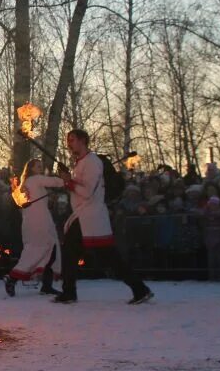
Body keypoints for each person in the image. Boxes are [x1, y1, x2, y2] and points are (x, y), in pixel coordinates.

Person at [55, 129, 152, 305]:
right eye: (68, 140)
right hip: (83, 215)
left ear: (83, 140)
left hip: (91, 216)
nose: (69, 144)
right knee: (73, 251)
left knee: (108, 257)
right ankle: (69, 292)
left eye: (72, 140)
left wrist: (69, 181)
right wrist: (67, 179)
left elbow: (87, 191)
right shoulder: (81, 162)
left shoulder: (92, 162)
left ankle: (140, 289)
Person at [5, 159, 63, 296]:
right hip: (39, 221)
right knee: (38, 251)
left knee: (50, 250)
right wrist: (66, 179)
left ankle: (46, 285)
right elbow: (54, 182)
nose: (41, 168)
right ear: (31, 169)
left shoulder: (26, 183)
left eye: (41, 166)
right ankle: (12, 278)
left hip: (35, 221)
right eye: (38, 166)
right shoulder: (35, 179)